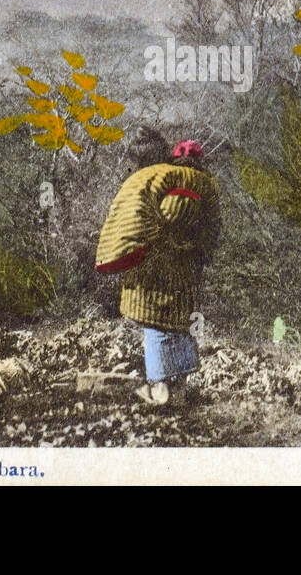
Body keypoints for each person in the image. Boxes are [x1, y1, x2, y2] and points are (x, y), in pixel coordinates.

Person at [94, 130, 220, 406]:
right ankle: (178, 388)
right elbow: (209, 231)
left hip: (159, 266)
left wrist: (159, 241)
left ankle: (161, 389)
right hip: (183, 268)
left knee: (157, 324)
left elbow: (171, 212)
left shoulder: (172, 181)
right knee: (177, 325)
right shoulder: (203, 184)